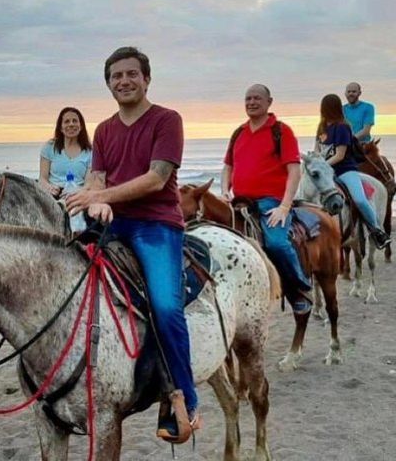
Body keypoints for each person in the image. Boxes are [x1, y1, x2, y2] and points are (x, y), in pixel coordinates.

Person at [65, 46, 199, 443]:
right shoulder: (104, 130)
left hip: (156, 224)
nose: (123, 81)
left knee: (165, 306)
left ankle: (185, 400)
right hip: (113, 221)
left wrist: (102, 197)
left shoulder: (167, 120)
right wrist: (94, 198)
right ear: (108, 84)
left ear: (146, 78)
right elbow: (97, 178)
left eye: (131, 74)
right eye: (115, 76)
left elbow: (157, 179)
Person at [220, 84, 313, 314]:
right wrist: (224, 191)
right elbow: (228, 166)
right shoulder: (239, 132)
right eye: (248, 98)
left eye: (257, 98)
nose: (251, 102)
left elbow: (294, 171)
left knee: (277, 243)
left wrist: (284, 206)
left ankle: (299, 289)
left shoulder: (281, 131)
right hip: (239, 202)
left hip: (270, 203)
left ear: (269, 102)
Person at [316, 93, 390, 249]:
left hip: (344, 170)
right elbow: (317, 151)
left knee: (360, 199)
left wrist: (323, 165)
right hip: (327, 171)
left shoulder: (343, 127)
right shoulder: (321, 128)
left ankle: (377, 231)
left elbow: (340, 155)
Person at [39, 107, 92, 198]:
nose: (71, 124)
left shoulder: (90, 152)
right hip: (52, 195)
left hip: (78, 196)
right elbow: (42, 178)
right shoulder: (49, 147)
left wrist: (77, 192)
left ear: (81, 126)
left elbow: (88, 184)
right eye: (67, 121)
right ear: (60, 127)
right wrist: (49, 188)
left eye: (75, 121)